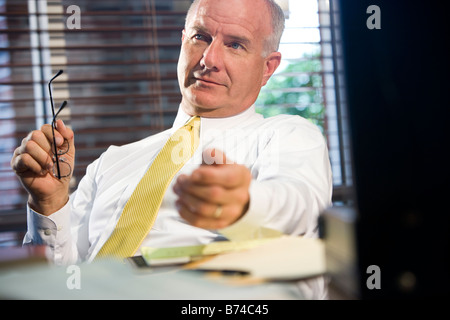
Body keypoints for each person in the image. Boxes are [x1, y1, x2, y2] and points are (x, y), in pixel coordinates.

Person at [11, 0, 332, 266]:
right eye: (201, 37)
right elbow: (63, 282)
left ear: (267, 68)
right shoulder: (110, 163)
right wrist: (49, 204)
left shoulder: (286, 136)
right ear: (183, 41)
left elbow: (300, 208)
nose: (209, 60)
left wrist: (245, 204)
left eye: (235, 44)